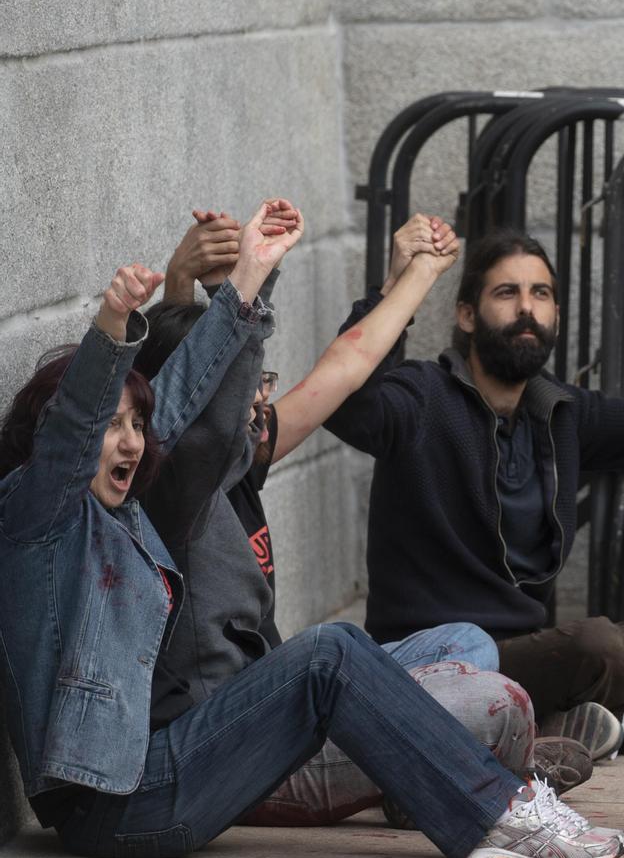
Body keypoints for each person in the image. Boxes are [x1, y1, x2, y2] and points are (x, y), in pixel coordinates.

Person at [0, 211, 624, 858]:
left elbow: (185, 401)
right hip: (116, 803)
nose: (131, 441)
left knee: (400, 646)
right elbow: (83, 428)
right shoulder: (36, 517)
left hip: (170, 768)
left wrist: (248, 278)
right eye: (112, 426)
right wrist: (111, 329)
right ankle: (498, 812)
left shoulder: (127, 506)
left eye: (138, 425)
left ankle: (473, 790)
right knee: (333, 652)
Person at [133, 212, 591, 823]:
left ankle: (435, 764)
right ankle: (449, 768)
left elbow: (343, 370)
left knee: (467, 642)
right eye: (248, 389)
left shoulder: (243, 455)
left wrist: (407, 275)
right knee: (477, 698)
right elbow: (175, 402)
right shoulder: (180, 482)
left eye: (262, 385)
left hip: (280, 703)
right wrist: (231, 284)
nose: (262, 401)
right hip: (236, 742)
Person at [326, 229, 624, 758]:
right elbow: (349, 403)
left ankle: (594, 728)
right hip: (440, 663)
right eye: (506, 293)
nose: (527, 309)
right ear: (467, 315)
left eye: (541, 294)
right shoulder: (423, 398)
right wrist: (394, 288)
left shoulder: (561, 412)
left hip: (533, 655)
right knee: (596, 647)